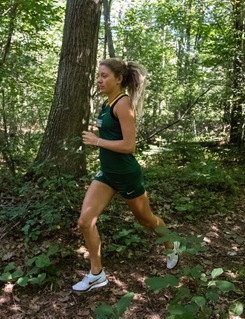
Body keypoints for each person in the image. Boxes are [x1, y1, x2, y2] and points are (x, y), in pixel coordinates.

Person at [72, 58, 180, 293]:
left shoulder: (123, 104)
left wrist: (98, 140)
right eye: (98, 76)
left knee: (146, 220)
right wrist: (98, 135)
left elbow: (130, 146)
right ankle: (96, 274)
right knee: (85, 221)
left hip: (126, 174)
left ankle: (172, 245)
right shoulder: (106, 104)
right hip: (107, 175)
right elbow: (112, 134)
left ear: (119, 79)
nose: (99, 80)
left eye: (104, 76)